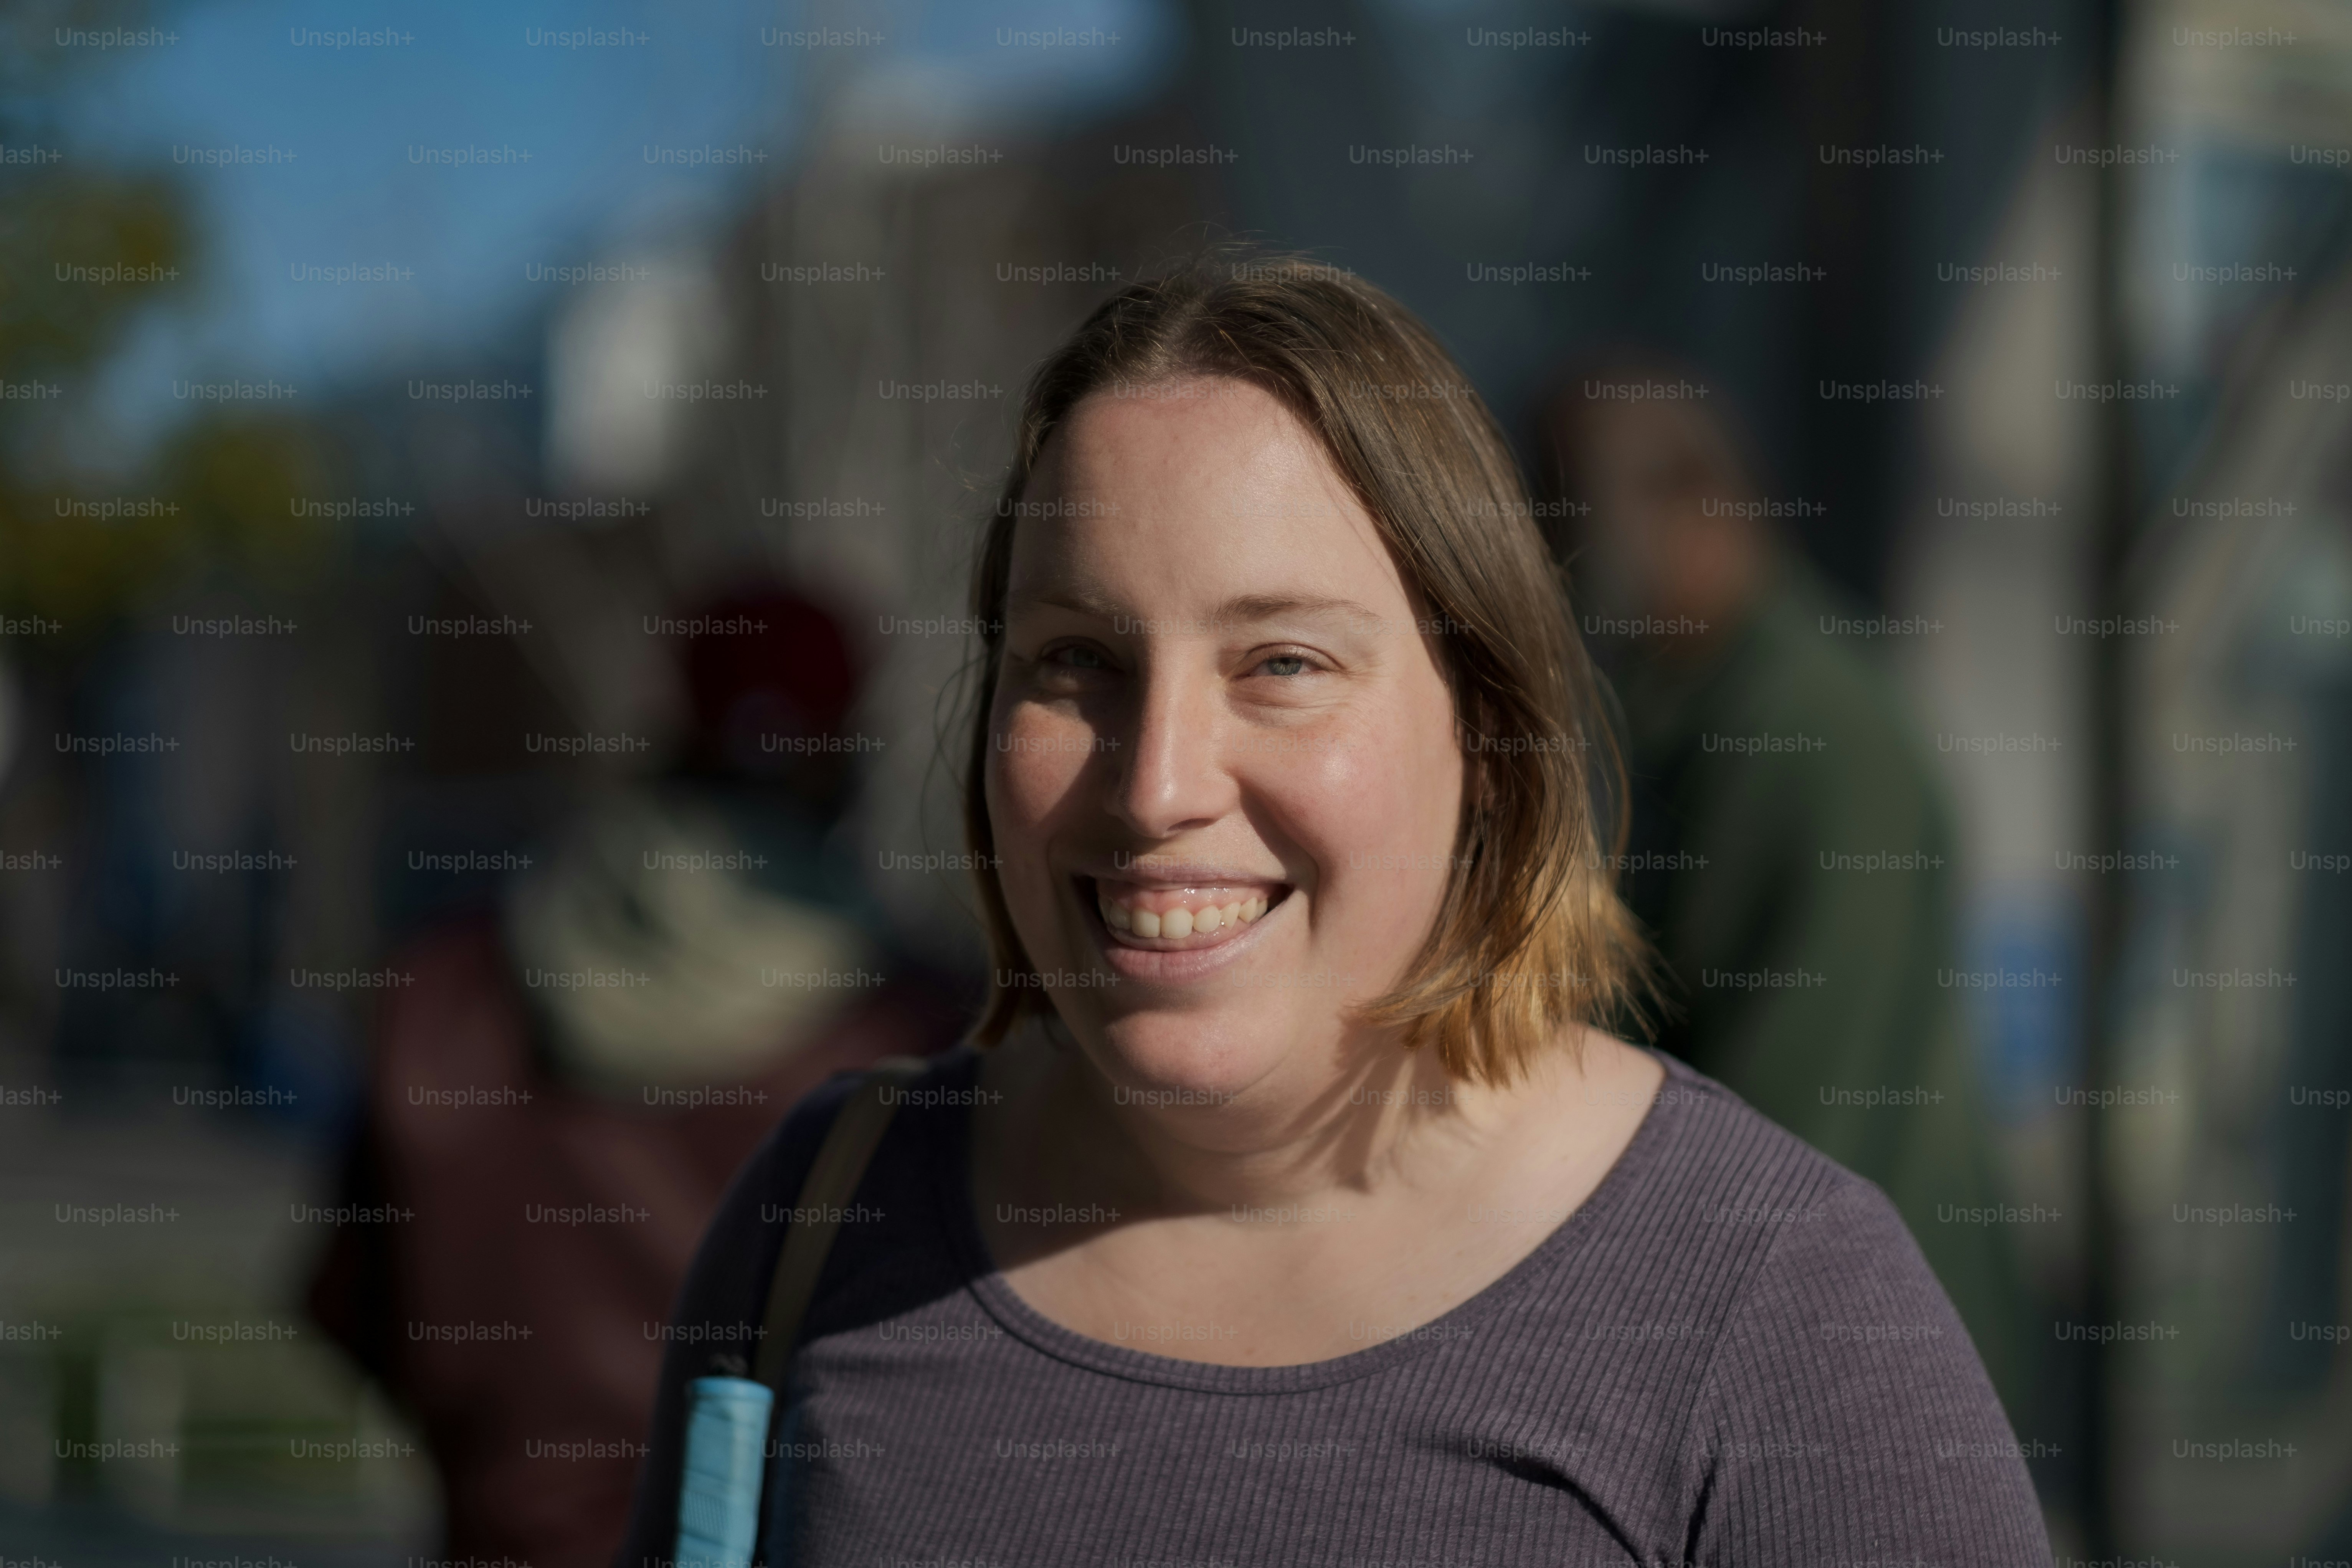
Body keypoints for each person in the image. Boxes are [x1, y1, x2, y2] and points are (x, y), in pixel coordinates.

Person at [616, 255, 2050, 1565]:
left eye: (1282, 661)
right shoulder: (815, 1219)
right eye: (1076, 661)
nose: (1158, 780)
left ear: (1484, 734)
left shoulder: (1779, 1309)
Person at [308, 586, 959, 1568]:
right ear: (848, 755)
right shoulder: (923, 1030)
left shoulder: (439, 996)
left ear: (666, 728)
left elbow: (347, 1309)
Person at [1539, 362, 2029, 1410]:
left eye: (1569, 529)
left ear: (1684, 509)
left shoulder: (1817, 741)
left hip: (1858, 1353)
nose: (1561, 580)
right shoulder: (1696, 716)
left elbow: (1803, 1108)